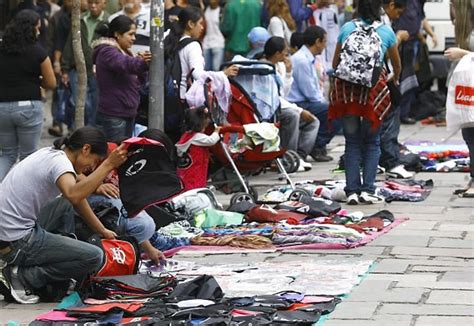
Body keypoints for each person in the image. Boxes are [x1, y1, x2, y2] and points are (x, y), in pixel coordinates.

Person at [0, 127, 128, 304]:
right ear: (85, 149)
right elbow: (74, 194)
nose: (91, 167)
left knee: (66, 203)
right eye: (94, 161)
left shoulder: (52, 154)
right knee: (94, 256)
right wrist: (108, 165)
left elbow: (76, 199)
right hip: (17, 242)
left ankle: (59, 257)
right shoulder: (60, 164)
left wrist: (102, 230)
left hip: (8, 233)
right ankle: (23, 276)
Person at [329, 0, 401, 204]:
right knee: (372, 142)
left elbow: (335, 64)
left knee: (351, 142)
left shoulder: (347, 28)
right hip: (372, 95)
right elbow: (396, 65)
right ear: (380, 9)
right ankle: (368, 190)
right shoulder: (386, 32)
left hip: (348, 93)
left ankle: (351, 191)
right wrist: (394, 77)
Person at [0, 9, 56, 182]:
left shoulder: (1, 48)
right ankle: (20, 195)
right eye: (37, 28)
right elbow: (51, 83)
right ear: (30, 29)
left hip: (2, 108)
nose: (39, 32)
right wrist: (35, 80)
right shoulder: (38, 52)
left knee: (7, 154)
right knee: (28, 157)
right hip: (28, 107)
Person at [263, 36, 319, 171]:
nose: (287, 55)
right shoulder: (263, 69)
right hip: (269, 109)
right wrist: (299, 110)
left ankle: (298, 157)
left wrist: (288, 73)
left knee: (313, 122)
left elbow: (283, 93)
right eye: (285, 52)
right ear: (277, 54)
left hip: (280, 104)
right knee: (293, 115)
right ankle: (289, 157)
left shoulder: (280, 66)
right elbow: (273, 98)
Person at [93, 15, 151, 140]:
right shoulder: (107, 52)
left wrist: (141, 64)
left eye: (134, 34)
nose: (133, 38)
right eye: (130, 34)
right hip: (114, 114)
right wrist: (141, 62)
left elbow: (138, 80)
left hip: (127, 113)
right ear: (117, 34)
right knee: (115, 153)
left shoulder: (124, 51)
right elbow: (125, 64)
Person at [287, 25, 336, 162]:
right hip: (298, 103)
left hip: (307, 101)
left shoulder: (311, 58)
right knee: (336, 110)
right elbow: (310, 93)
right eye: (324, 42)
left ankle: (317, 143)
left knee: (334, 108)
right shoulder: (302, 60)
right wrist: (325, 104)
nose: (325, 45)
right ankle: (317, 145)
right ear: (317, 42)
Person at [378, 0, 414, 179]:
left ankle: (378, 159)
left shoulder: (356, 23)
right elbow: (385, 51)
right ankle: (391, 161)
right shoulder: (381, 23)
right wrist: (398, 37)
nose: (398, 16)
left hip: (369, 78)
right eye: (398, 12)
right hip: (384, 76)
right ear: (391, 5)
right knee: (390, 117)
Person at [61, 0, 109, 127]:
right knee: (79, 102)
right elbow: (70, 44)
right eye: (90, 2)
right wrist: (64, 69)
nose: (93, 5)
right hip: (77, 68)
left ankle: (90, 130)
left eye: (97, 3)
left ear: (104, 3)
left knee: (95, 103)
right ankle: (79, 128)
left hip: (98, 70)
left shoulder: (108, 21)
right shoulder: (79, 19)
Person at [445, 0, 473, 197]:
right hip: (466, 90)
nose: (450, 9)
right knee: (469, 137)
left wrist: (462, 53)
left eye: (453, 5)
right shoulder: (465, 29)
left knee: (472, 137)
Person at [176, 108, 221, 191]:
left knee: (187, 183)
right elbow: (211, 140)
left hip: (188, 168)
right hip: (196, 167)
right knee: (195, 184)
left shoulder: (187, 135)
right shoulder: (197, 137)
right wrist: (216, 132)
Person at [202, 0, 225, 71]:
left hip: (219, 43)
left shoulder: (221, 11)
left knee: (216, 69)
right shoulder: (205, 10)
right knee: (205, 69)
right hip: (206, 43)